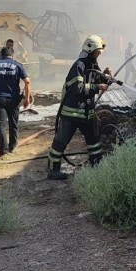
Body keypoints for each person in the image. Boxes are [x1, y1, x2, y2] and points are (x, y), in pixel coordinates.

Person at [47, 35, 111, 180]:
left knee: (94, 141)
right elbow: (78, 88)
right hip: (71, 114)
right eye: (98, 51)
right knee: (60, 142)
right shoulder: (79, 65)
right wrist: (97, 86)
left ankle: (97, 167)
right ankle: (53, 170)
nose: (99, 54)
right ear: (90, 49)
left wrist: (106, 76)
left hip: (87, 114)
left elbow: (100, 82)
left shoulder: (93, 65)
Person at [0, 47, 31, 157]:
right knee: (13, 123)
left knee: (1, 124)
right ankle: (13, 146)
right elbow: (27, 82)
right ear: (12, 55)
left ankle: (3, 151)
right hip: (14, 99)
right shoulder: (18, 65)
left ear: (1, 55)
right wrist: (27, 98)